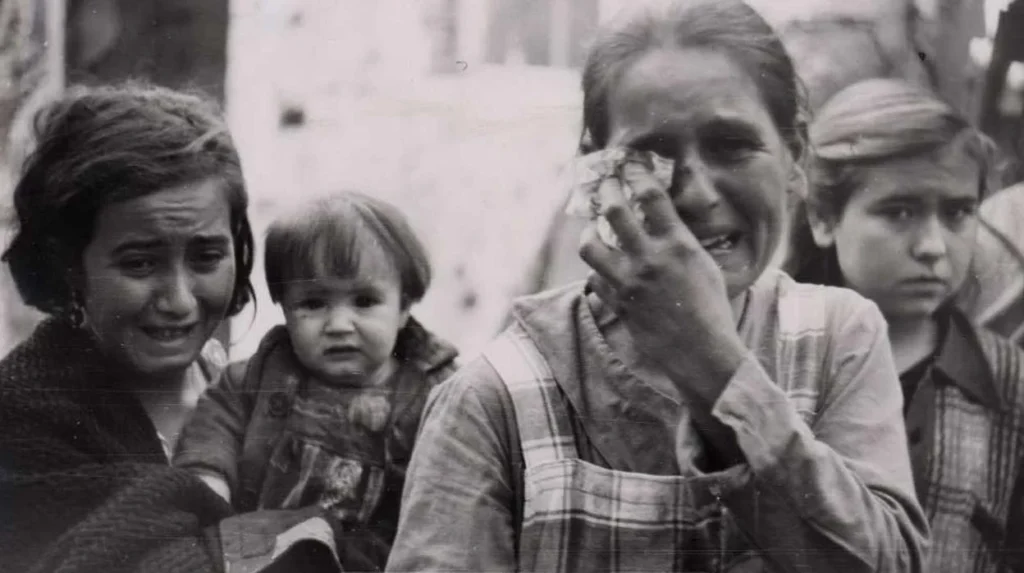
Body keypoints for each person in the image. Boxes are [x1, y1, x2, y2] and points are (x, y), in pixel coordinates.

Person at [386, 1, 929, 571]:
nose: (696, 194)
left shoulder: (839, 340)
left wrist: (709, 363)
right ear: (596, 173)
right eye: (651, 155)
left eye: (731, 146)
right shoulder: (496, 394)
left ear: (794, 157)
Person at [0, 83, 341, 573]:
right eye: (139, 264)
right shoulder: (22, 422)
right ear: (70, 265)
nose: (179, 301)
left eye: (206, 257)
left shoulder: (250, 387)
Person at [789, 78, 1024, 572]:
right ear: (823, 218)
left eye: (958, 212)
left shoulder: (1011, 384)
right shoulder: (768, 356)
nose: (934, 247)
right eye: (899, 211)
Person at [174, 191, 459, 571]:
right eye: (312, 304)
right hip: (258, 555)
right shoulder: (265, 374)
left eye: (364, 301)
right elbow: (216, 423)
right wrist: (208, 482)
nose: (339, 325)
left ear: (404, 307)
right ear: (286, 309)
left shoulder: (434, 397)